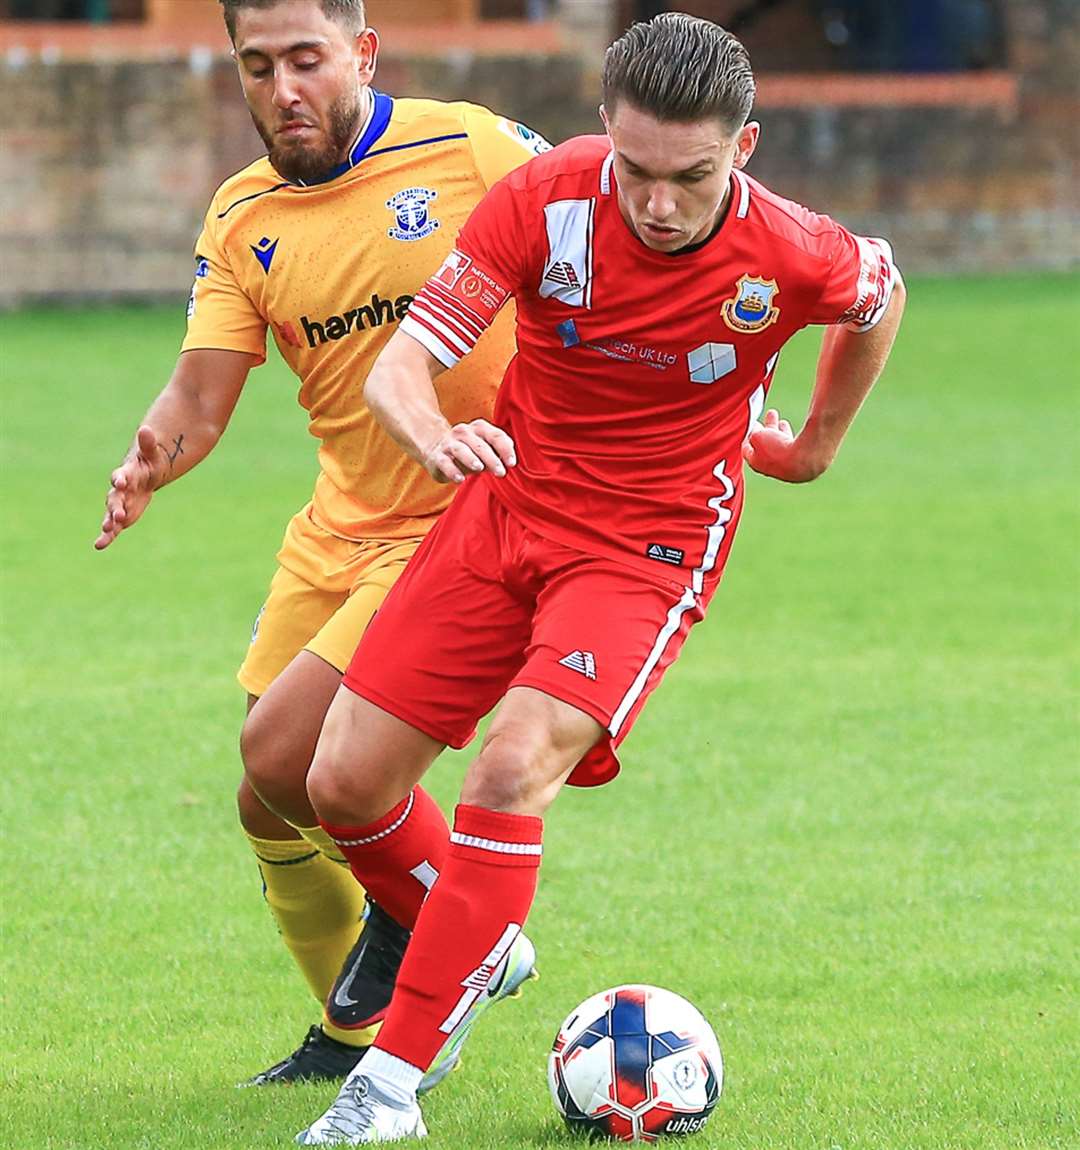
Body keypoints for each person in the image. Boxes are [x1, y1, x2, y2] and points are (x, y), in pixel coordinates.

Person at [293, 10, 905, 1144]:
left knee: (512, 767)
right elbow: (405, 364)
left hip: (649, 545)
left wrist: (814, 443)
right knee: (342, 784)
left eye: (690, 176)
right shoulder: (546, 199)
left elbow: (878, 294)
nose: (656, 203)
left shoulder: (790, 251)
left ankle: (387, 1089)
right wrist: (431, 430)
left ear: (746, 150)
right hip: (506, 506)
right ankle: (481, 938)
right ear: (603, 138)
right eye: (635, 169)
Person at [94, 0, 549, 1088]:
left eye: (308, 59)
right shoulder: (242, 210)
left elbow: (603, 224)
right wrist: (154, 453)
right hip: (338, 526)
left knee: (282, 756)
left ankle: (459, 924)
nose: (284, 87)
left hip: (463, 513)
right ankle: (349, 1031)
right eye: (259, 67)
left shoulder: (470, 145)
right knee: (269, 801)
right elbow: (202, 390)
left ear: (363, 55)